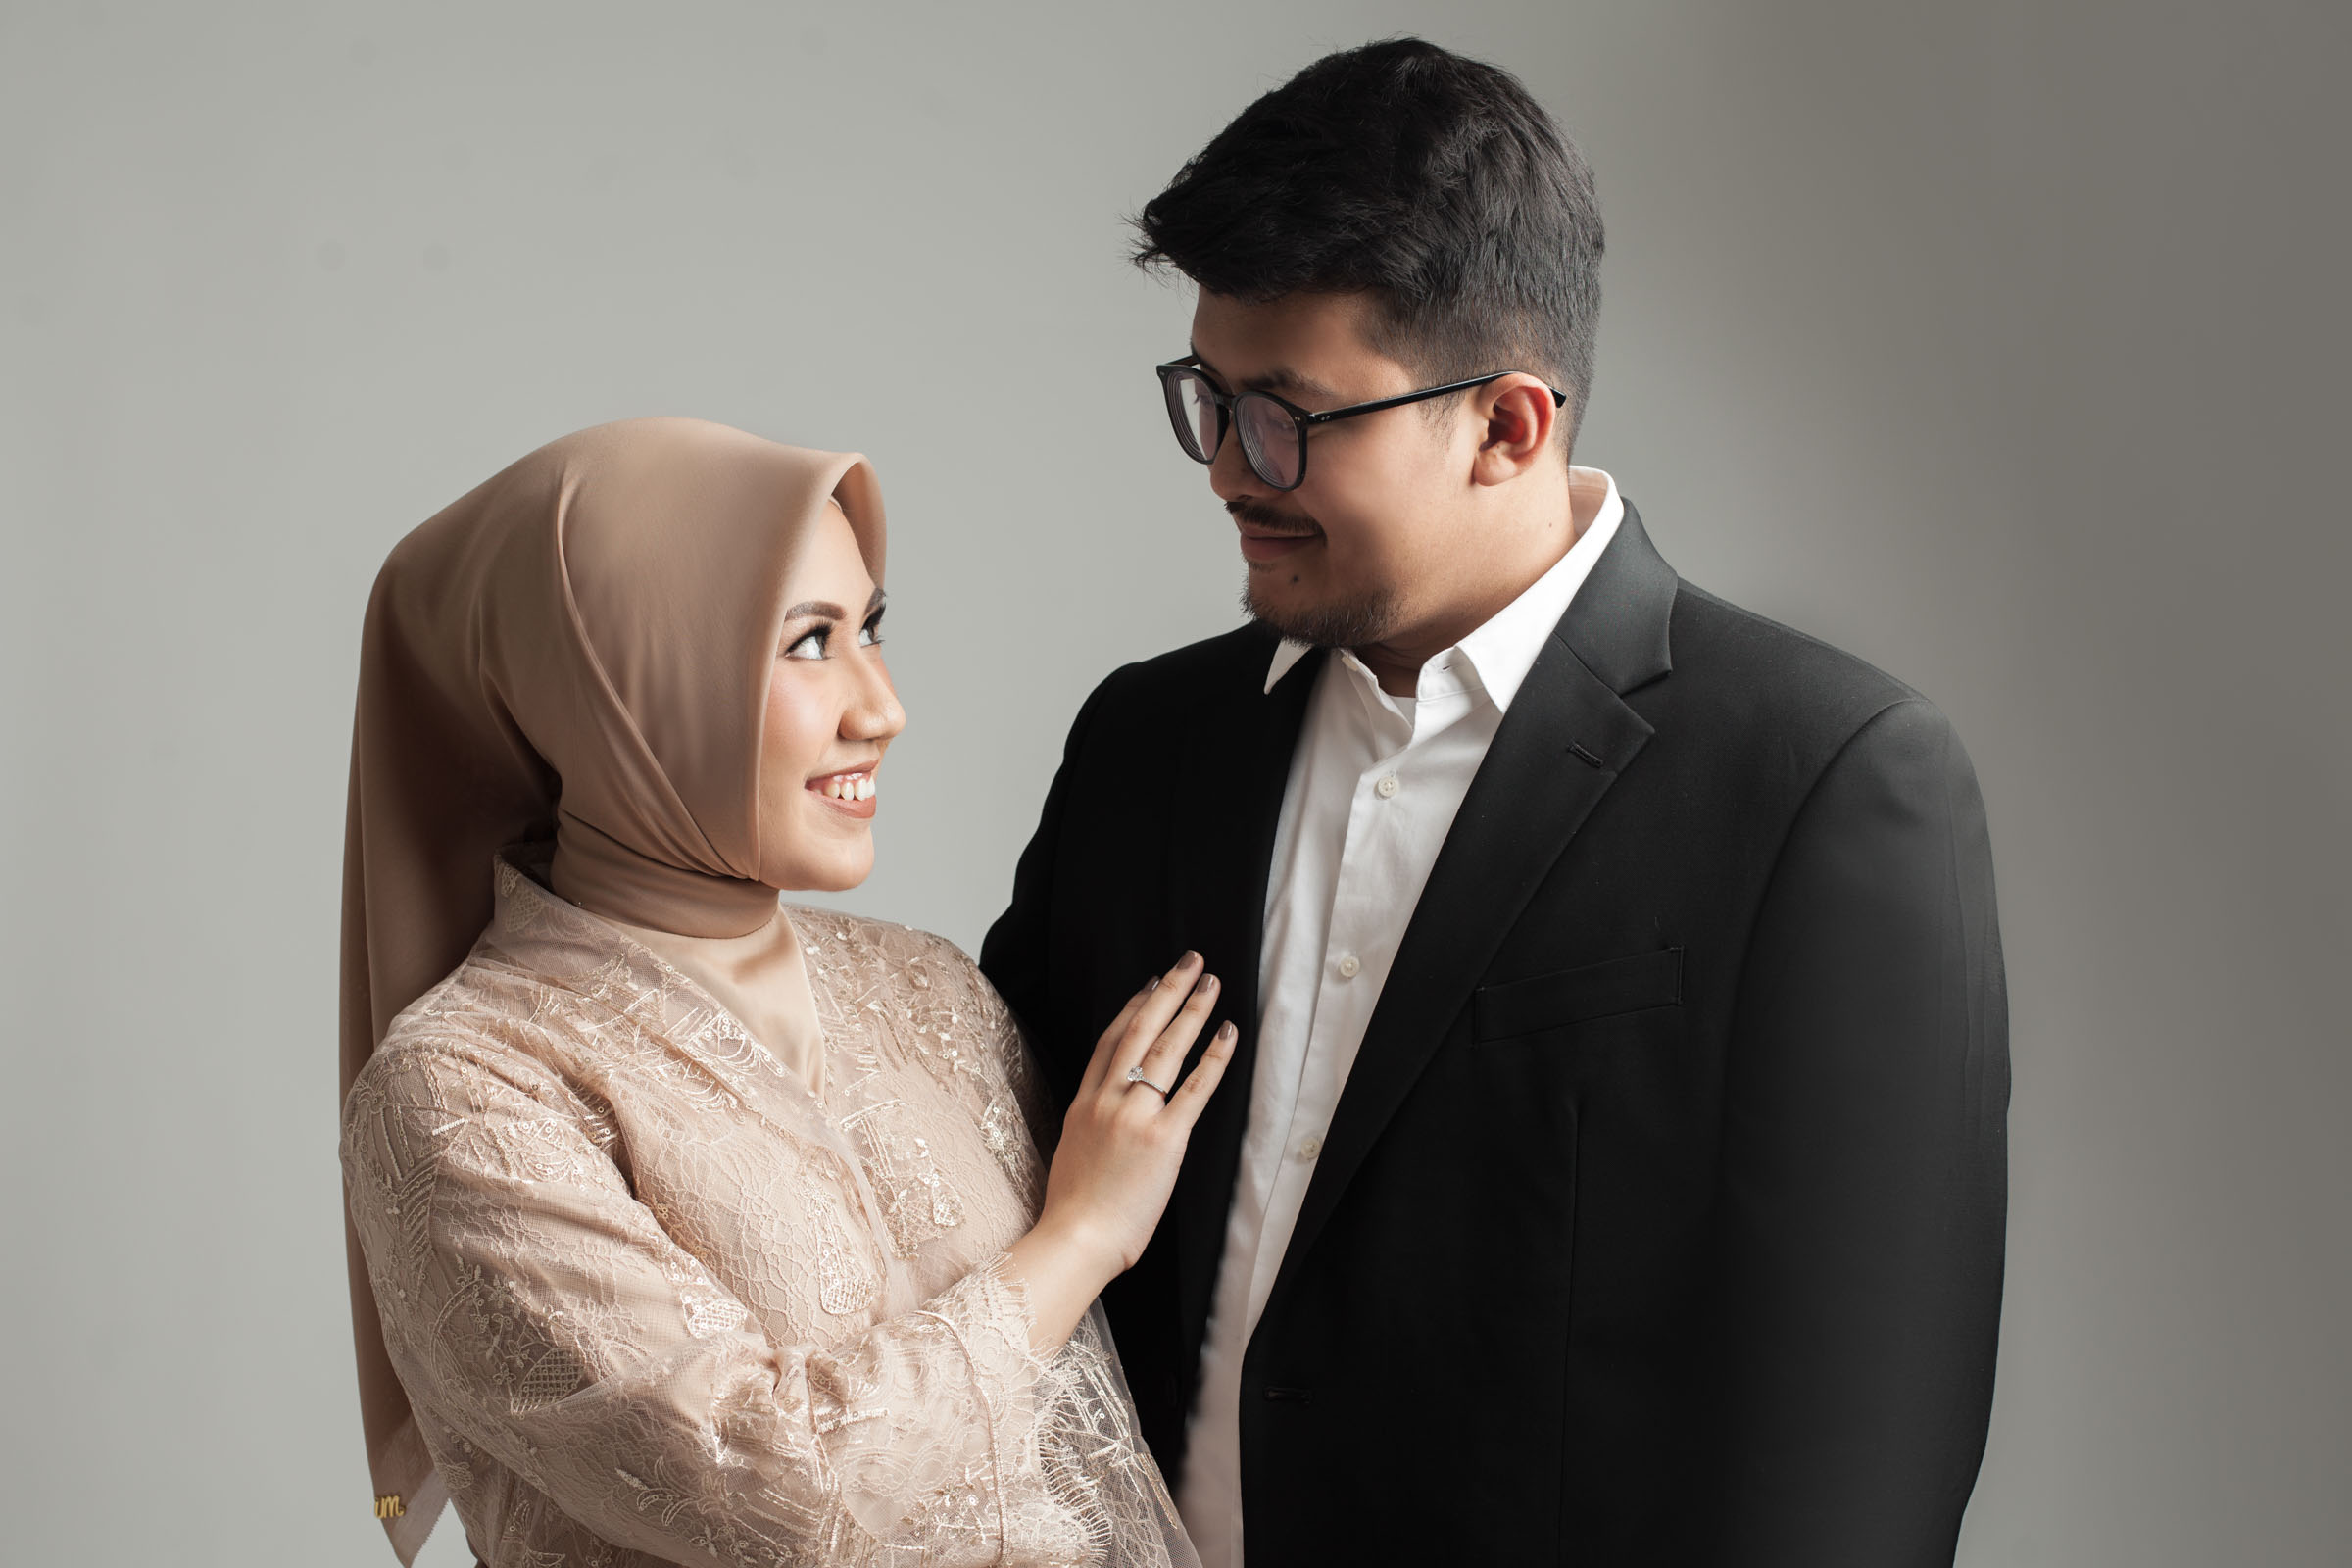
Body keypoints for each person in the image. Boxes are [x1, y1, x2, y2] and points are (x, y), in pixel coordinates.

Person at [979, 38, 2009, 1567]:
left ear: (1508, 426)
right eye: (1210, 398)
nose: (1228, 473)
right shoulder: (1146, 744)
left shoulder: (1822, 780)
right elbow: (978, 1188)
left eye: (1285, 415)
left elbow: (1857, 1454)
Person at [337, 416, 1234, 1567]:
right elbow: (781, 1497)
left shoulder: (929, 989)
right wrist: (1085, 1234)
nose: (882, 706)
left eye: (871, 629)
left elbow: (1095, 1451)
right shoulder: (465, 1084)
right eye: (808, 642)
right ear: (617, 682)